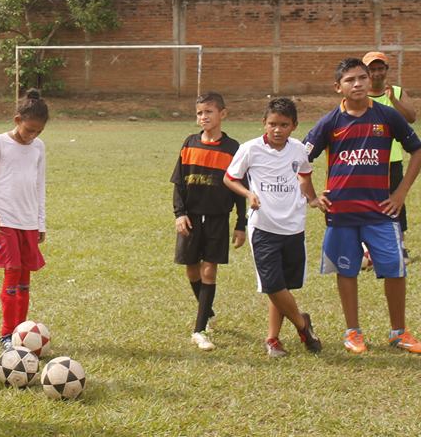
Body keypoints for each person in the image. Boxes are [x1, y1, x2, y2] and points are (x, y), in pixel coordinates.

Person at [304, 57, 421, 354]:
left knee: (395, 270)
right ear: (337, 87)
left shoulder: (387, 116)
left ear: (369, 81)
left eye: (362, 78)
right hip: (341, 212)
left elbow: (417, 150)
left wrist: (400, 193)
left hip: (381, 211)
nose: (357, 84)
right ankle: (353, 332)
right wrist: (314, 197)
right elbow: (301, 158)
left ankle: (399, 332)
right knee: (348, 270)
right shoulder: (330, 121)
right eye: (350, 80)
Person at [223, 97, 323, 357]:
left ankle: (273, 339)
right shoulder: (250, 149)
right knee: (272, 285)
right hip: (264, 227)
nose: (277, 130)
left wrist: (312, 198)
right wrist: (248, 194)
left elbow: (304, 175)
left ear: (294, 126)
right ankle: (303, 325)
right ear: (263, 124)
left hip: (293, 225)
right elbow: (229, 178)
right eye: (272, 124)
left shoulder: (299, 149)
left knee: (282, 286)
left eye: (284, 125)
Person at [171, 91, 246, 351]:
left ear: (222, 114)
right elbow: (178, 183)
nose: (204, 117)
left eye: (209, 112)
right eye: (200, 113)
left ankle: (199, 329)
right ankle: (207, 310)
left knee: (209, 270)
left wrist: (240, 223)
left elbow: (239, 187)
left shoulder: (233, 148)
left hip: (217, 218)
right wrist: (179, 214)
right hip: (190, 218)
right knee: (192, 268)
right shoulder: (190, 143)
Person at [0, 89, 48, 351]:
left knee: (24, 281)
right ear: (17, 119)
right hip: (5, 220)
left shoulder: (38, 147)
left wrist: (41, 223)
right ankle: (7, 334)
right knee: (11, 276)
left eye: (38, 132)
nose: (32, 136)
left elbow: (40, 184)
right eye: (29, 130)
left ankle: (22, 332)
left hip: (29, 222)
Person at [364, 51, 416, 261]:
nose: (376, 73)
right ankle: (368, 248)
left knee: (395, 203)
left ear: (386, 70)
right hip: (367, 158)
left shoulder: (396, 91)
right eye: (372, 69)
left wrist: (394, 99)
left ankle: (400, 245)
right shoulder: (359, 93)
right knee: (367, 202)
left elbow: (411, 117)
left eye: (380, 69)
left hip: (392, 159)